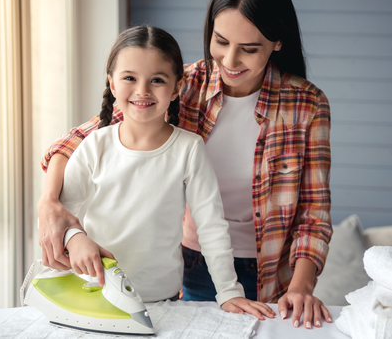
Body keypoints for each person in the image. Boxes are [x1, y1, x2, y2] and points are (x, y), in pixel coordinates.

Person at [38, 0, 332, 329]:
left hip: (271, 266)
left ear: (277, 42)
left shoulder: (306, 104)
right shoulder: (184, 83)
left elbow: (313, 212)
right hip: (192, 263)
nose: (229, 61)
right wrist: (50, 203)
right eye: (220, 41)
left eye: (249, 49)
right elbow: (79, 139)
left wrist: (302, 286)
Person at [55, 25, 275, 318]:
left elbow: (211, 226)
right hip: (95, 291)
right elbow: (64, 212)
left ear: (177, 88)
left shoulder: (190, 149)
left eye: (157, 80)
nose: (142, 91)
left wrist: (228, 292)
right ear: (111, 83)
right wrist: (75, 238)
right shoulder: (95, 145)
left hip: (164, 300)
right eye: (129, 78)